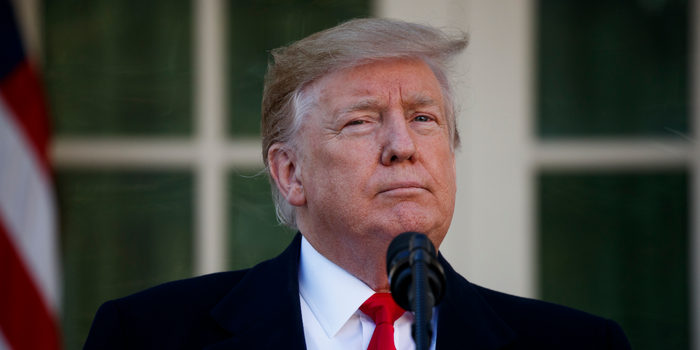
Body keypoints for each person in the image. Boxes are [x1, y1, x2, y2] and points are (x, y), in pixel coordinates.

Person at [84, 18, 631, 350]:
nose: (402, 145)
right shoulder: (147, 340)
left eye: (424, 118)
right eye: (361, 121)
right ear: (290, 172)